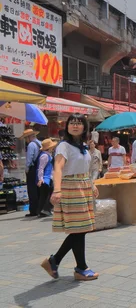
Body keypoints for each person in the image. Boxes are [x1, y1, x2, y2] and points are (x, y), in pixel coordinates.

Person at [41, 113, 99, 281]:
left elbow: (84, 168)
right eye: (72, 123)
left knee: (81, 229)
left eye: (79, 123)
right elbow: (58, 168)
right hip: (70, 188)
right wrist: (57, 190)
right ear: (67, 127)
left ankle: (56, 261)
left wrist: (92, 184)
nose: (75, 126)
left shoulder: (82, 146)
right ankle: (80, 267)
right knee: (79, 230)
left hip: (83, 187)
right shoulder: (63, 146)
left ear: (84, 127)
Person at [21, 129, 41, 217]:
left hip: (33, 169)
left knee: (32, 190)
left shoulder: (31, 145)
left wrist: (27, 169)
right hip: (39, 168)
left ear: (29, 137)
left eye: (26, 138)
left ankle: (33, 210)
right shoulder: (39, 143)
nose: (26, 140)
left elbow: (29, 159)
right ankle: (39, 209)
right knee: (38, 190)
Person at [36, 138, 57, 217]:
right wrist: (40, 179)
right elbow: (40, 168)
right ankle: (44, 210)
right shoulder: (44, 156)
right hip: (46, 179)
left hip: (49, 178)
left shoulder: (48, 155)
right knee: (47, 195)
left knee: (45, 195)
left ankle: (42, 211)